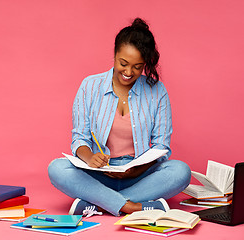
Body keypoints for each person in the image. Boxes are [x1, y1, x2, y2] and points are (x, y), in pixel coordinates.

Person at [48, 18, 191, 217]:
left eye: (137, 67)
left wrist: (137, 169)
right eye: (123, 63)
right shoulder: (90, 86)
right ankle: (130, 206)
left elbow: (161, 146)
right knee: (57, 168)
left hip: (139, 175)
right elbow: (79, 137)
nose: (128, 72)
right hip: (98, 174)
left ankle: (99, 204)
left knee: (180, 171)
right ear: (114, 54)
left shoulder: (157, 91)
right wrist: (90, 158)